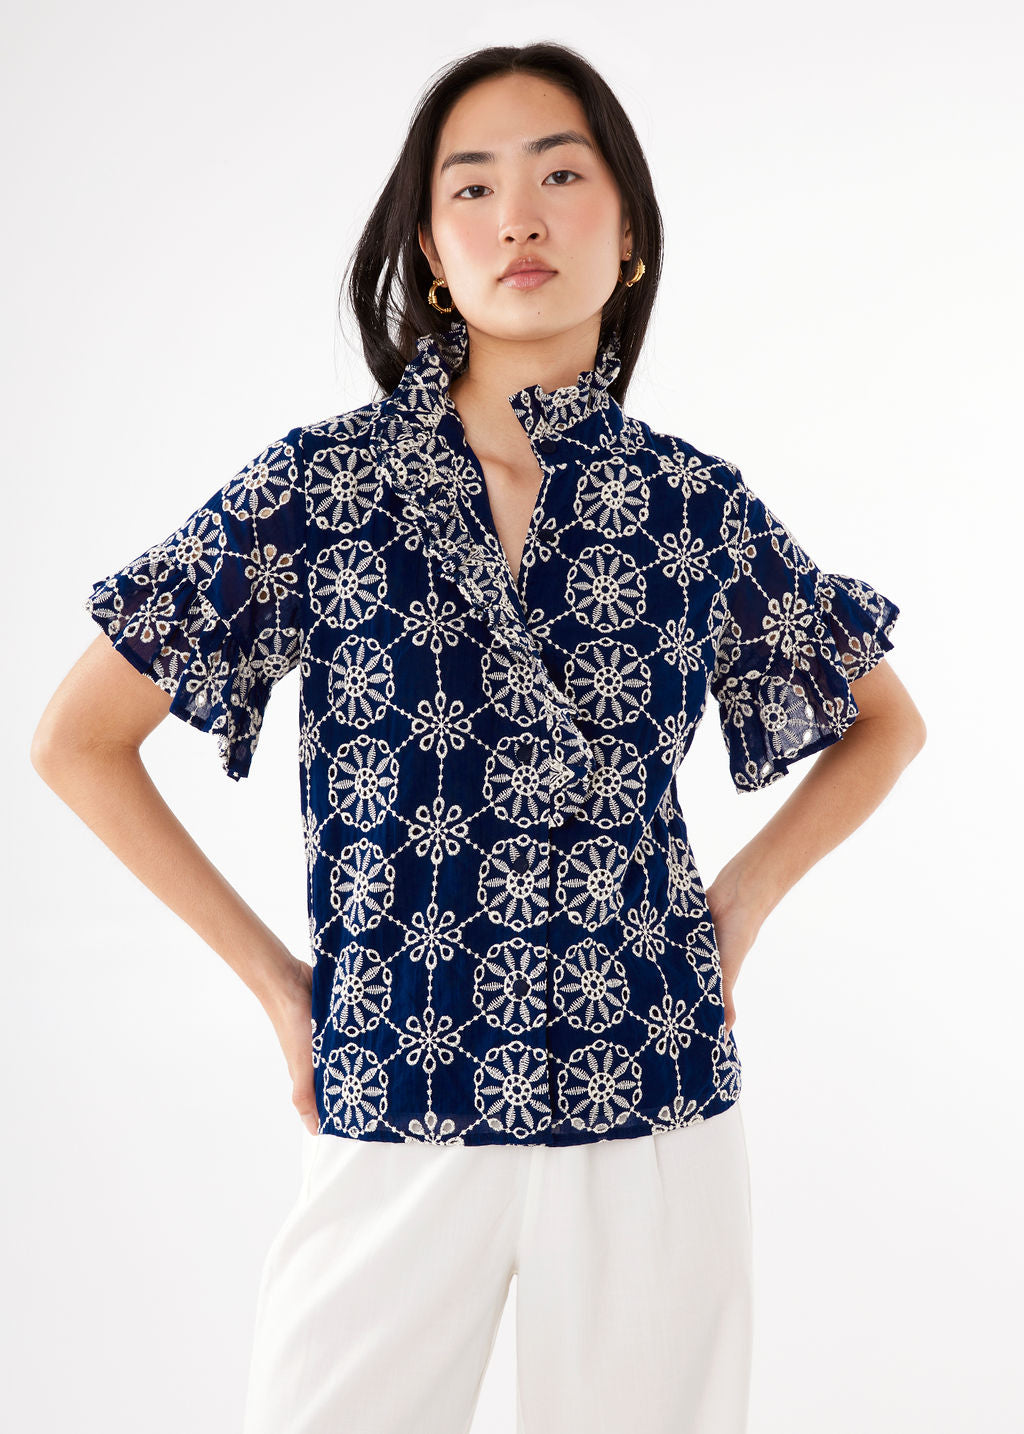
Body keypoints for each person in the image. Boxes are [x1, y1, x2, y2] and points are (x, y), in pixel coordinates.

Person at [30, 41, 926, 1434]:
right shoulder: (323, 487)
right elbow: (79, 739)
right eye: (473, 188)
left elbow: (885, 723)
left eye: (562, 176)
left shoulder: (692, 506)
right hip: (397, 1075)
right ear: (431, 256)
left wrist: (737, 906)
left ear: (628, 236)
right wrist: (280, 990)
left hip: (651, 1087)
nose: (519, 218)